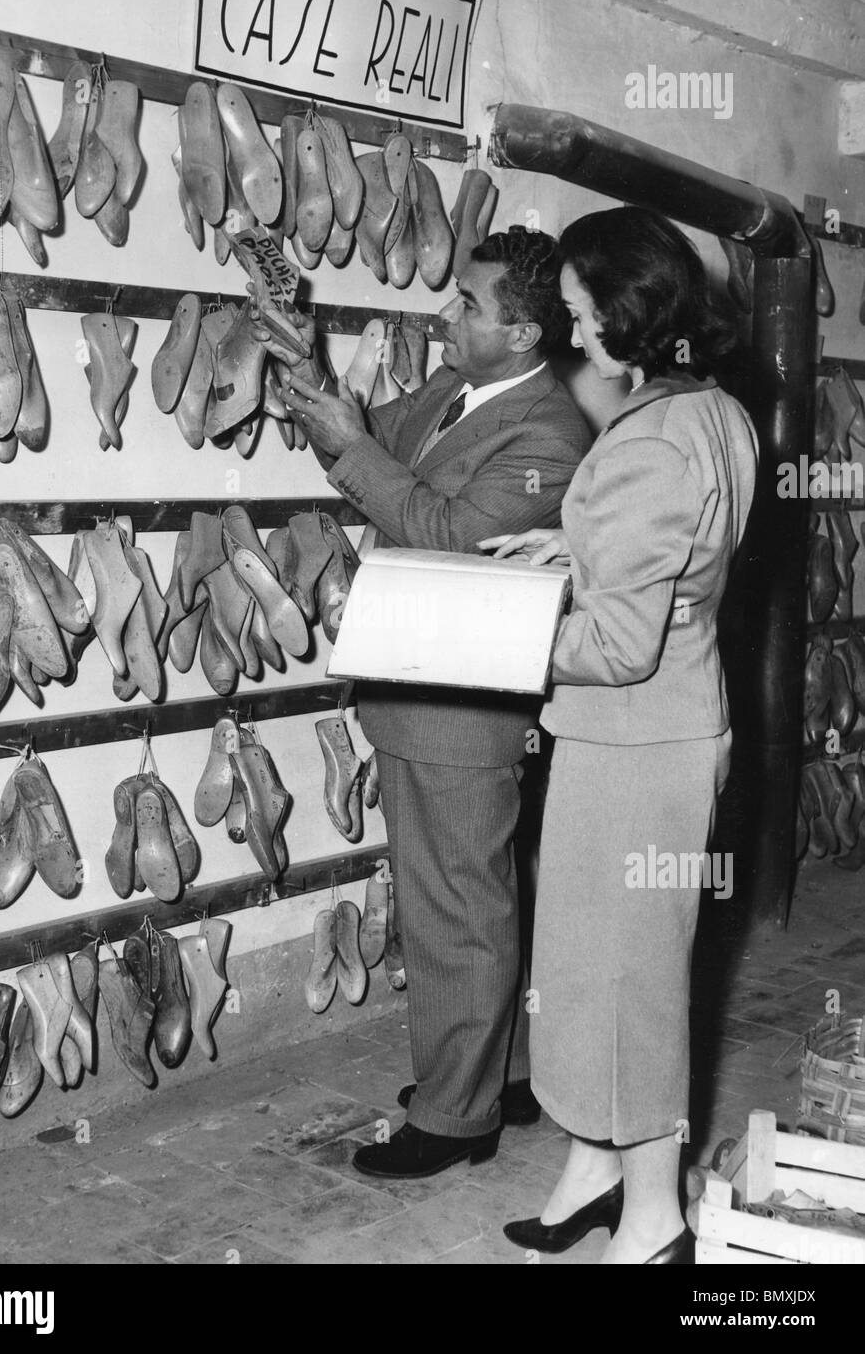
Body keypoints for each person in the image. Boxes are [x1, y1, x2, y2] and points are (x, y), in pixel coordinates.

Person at [254, 227, 592, 1178]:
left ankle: (455, 1120)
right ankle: (498, 1074)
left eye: (470, 306)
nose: (450, 315)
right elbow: (366, 447)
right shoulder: (458, 391)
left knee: (458, 908)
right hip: (424, 683)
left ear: (523, 333)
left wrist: (357, 447)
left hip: (465, 700)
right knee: (474, 892)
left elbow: (445, 532)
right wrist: (303, 356)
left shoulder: (550, 435)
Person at [483, 206, 758, 1263]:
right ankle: (596, 1164)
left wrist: (495, 635)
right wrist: (569, 541)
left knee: (630, 979)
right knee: (588, 960)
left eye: (580, 314)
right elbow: (671, 551)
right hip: (665, 730)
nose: (570, 332)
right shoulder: (711, 412)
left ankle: (653, 1218)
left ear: (625, 310)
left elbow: (616, 643)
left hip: (632, 741)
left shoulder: (647, 439)